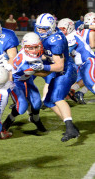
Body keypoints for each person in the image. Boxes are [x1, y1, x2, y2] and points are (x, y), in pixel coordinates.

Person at [33, 13, 79, 142]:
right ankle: (72, 127)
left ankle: (70, 128)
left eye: (44, 29)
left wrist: (39, 68)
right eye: (39, 28)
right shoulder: (47, 35)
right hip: (58, 69)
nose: (41, 31)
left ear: (52, 27)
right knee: (48, 101)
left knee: (57, 97)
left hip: (66, 70)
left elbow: (59, 66)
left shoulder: (56, 39)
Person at [2, 32, 49, 135]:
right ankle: (7, 122)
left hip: (27, 79)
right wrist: (56, 67)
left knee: (37, 103)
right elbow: (43, 74)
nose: (33, 50)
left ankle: (35, 119)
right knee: (22, 107)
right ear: (24, 47)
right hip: (16, 82)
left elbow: (40, 56)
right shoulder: (25, 60)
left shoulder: (30, 51)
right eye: (30, 48)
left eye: (36, 47)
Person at [58, 18, 95, 102]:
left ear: (69, 27)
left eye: (63, 29)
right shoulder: (74, 33)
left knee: (90, 81)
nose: (61, 31)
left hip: (88, 61)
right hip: (82, 64)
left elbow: (66, 53)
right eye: (59, 29)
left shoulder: (71, 36)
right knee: (87, 83)